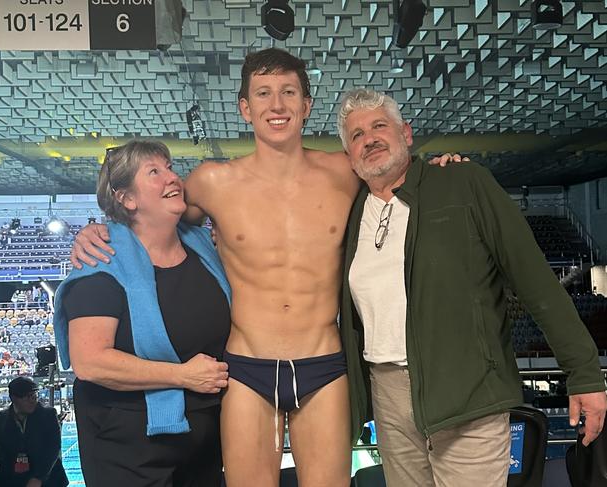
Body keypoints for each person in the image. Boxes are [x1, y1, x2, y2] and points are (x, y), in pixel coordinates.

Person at [70, 49, 459, 487]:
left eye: (288, 92)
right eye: (264, 93)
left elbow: (398, 174)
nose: (277, 105)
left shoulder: (344, 172)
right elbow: (149, 223)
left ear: (306, 106)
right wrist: (102, 232)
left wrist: (445, 167)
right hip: (247, 368)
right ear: (245, 108)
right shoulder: (211, 182)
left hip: (323, 364)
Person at [336, 88, 607, 486]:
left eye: (380, 125)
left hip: (468, 392)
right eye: (357, 135)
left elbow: (536, 281)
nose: (370, 138)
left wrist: (583, 373)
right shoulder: (351, 209)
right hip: (389, 396)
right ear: (348, 156)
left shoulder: (463, 182)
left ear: (406, 133)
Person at [53, 141, 231, 487]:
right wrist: (182, 376)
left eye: (169, 167)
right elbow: (90, 362)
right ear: (127, 199)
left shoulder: (202, 247)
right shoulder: (101, 263)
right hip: (129, 448)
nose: (172, 177)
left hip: (203, 440)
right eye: (154, 172)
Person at [0, 376, 69, 487]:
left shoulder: (48, 415)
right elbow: (1, 454)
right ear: (13, 398)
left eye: (34, 395)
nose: (32, 400)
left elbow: (53, 449)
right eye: (28, 396)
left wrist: (38, 477)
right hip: (15, 481)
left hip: (49, 480)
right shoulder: (0, 419)